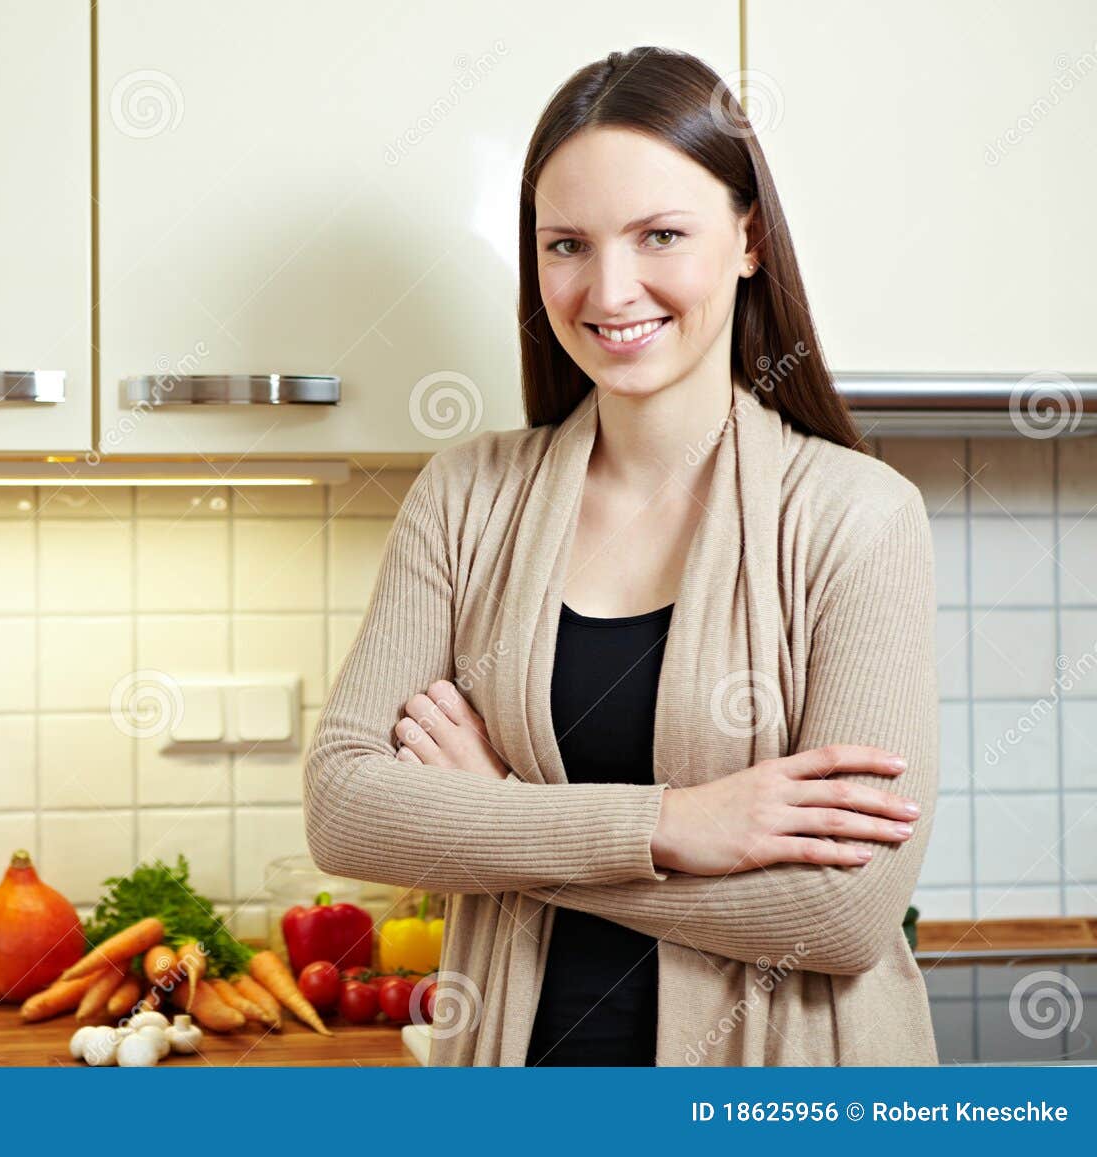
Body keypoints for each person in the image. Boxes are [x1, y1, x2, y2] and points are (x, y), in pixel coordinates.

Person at [304, 46, 939, 1066]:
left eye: (660, 235)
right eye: (566, 244)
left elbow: (842, 911)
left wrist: (502, 820)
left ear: (748, 240)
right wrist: (676, 824)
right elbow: (344, 806)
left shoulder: (857, 519)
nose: (608, 288)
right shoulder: (467, 497)